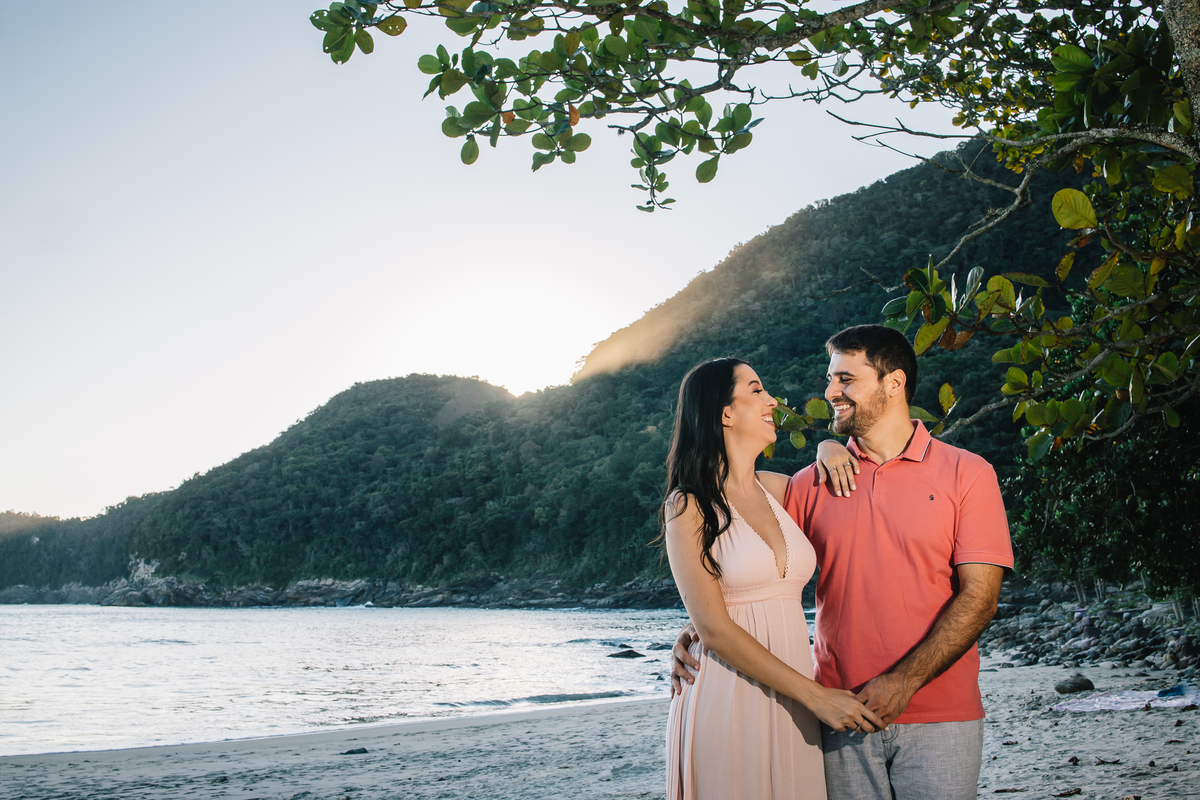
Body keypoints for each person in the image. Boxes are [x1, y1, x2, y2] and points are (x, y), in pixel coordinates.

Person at [672, 325, 1013, 800]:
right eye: (831, 378)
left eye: (845, 380)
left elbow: (980, 597)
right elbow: (747, 557)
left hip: (942, 714)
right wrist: (697, 626)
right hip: (837, 715)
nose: (830, 391)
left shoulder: (968, 473)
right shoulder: (806, 485)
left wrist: (903, 682)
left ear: (893, 383)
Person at [663, 357, 886, 800]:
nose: (772, 400)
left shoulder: (781, 488)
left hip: (794, 701)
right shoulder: (687, 506)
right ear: (725, 413)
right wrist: (818, 698)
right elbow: (714, 628)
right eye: (757, 389)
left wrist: (828, 445)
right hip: (728, 695)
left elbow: (841, 484)